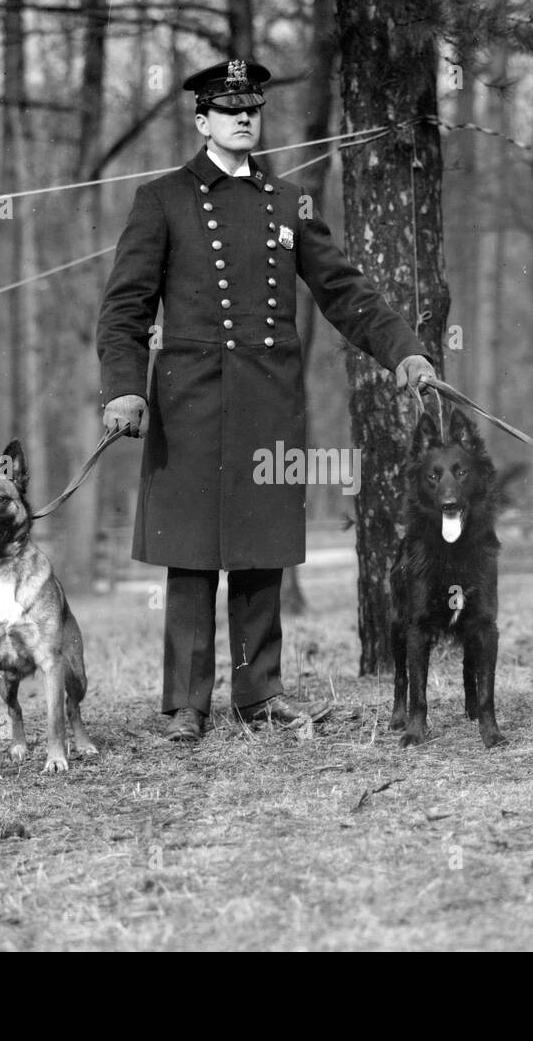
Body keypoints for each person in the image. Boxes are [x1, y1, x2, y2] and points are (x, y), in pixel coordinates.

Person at [96, 59, 437, 742]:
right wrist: (126, 388)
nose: (243, 118)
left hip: (267, 401)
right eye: (228, 109)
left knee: (259, 551)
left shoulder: (288, 203)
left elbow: (344, 291)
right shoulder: (161, 199)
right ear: (202, 121)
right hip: (188, 403)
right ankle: (187, 703)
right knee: (190, 554)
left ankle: (258, 694)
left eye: (251, 108)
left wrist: (405, 350)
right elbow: (124, 308)